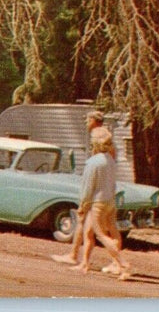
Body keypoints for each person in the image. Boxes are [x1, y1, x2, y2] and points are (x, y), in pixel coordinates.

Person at [52, 110, 121, 267]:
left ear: (94, 121)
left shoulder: (101, 138)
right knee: (91, 227)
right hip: (104, 192)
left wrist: (87, 197)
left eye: (88, 120)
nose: (86, 123)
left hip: (98, 193)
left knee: (99, 229)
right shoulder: (100, 137)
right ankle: (79, 257)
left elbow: (103, 166)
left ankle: (117, 262)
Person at [63, 127, 131, 280]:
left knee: (100, 234)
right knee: (89, 232)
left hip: (98, 203)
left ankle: (123, 264)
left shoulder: (93, 163)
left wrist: (82, 205)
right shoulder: (110, 161)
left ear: (95, 143)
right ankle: (84, 264)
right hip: (110, 202)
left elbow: (87, 187)